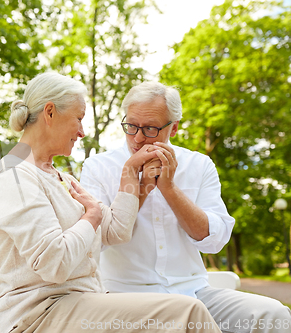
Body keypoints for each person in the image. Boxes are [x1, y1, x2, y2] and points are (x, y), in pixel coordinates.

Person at [0, 73, 222, 333]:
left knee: (185, 310)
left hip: (80, 304)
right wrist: (91, 217)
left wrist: (132, 177)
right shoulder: (14, 174)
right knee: (188, 312)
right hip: (38, 315)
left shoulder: (60, 177)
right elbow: (54, 263)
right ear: (50, 113)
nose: (82, 131)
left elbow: (116, 231)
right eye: (78, 118)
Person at [80, 81, 291, 333]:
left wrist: (169, 188)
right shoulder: (98, 167)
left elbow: (214, 240)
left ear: (174, 128)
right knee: (182, 317)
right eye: (131, 126)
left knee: (275, 315)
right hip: (126, 296)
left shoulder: (199, 165)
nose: (137, 137)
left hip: (195, 292)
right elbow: (99, 240)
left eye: (149, 128)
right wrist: (143, 186)